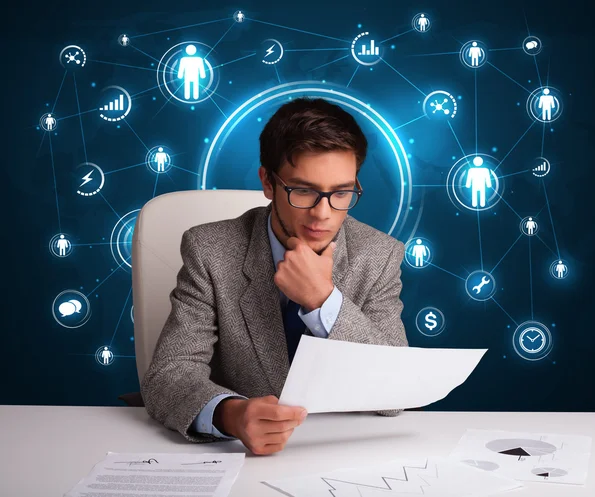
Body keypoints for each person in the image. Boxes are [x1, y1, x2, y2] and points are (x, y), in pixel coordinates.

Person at [141, 97, 408, 455]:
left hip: (344, 452)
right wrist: (230, 415)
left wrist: (323, 301)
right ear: (268, 182)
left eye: (341, 193)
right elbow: (169, 373)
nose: (322, 214)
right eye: (303, 191)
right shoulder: (209, 249)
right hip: (241, 457)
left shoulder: (380, 254)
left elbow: (398, 393)